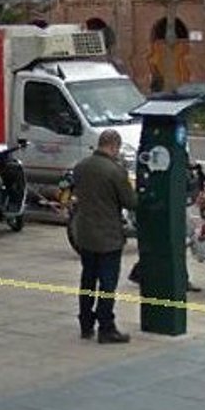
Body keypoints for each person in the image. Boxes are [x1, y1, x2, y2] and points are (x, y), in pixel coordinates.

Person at [71, 130, 136, 344]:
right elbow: (130, 201)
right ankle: (106, 327)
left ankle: (85, 324)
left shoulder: (81, 167)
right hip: (108, 236)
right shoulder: (115, 171)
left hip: (85, 233)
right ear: (114, 146)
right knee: (107, 284)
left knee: (87, 279)